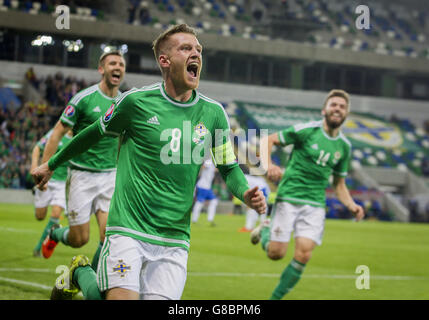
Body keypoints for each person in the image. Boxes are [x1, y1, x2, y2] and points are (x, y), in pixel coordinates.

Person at [32, 24, 266, 300]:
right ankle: (81, 272)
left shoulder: (214, 114)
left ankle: (79, 272)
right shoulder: (135, 103)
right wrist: (51, 164)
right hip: (128, 229)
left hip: (174, 239)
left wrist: (245, 194)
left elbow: (228, 168)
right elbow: (93, 133)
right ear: (164, 61)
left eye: (199, 50)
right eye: (186, 48)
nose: (196, 54)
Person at [252, 89, 365, 300]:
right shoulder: (307, 130)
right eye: (334, 105)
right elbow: (268, 140)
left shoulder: (344, 147)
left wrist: (352, 205)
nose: (337, 109)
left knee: (304, 254)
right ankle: (266, 229)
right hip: (289, 197)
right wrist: (269, 165)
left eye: (342, 106)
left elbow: (339, 183)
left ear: (346, 113)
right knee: (276, 254)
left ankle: (274, 299)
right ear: (325, 110)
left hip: (314, 204)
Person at [38, 50, 126, 272]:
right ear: (101, 69)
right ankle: (56, 233)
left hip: (109, 176)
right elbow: (57, 133)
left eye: (122, 64)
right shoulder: (84, 98)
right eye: (113, 63)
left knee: (109, 236)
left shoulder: (125, 103)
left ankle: (89, 283)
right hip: (80, 176)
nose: (118, 67)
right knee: (80, 239)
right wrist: (46, 167)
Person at [31, 129, 72, 257]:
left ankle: (39, 247)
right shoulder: (56, 133)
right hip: (46, 179)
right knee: (40, 216)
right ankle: (51, 231)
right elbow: (37, 148)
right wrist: (34, 167)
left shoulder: (79, 136)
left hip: (62, 184)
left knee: (55, 214)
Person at [191, 158, 218, 226]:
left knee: (214, 201)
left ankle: (210, 219)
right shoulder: (209, 161)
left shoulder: (213, 164)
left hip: (207, 187)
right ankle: (194, 219)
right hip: (203, 186)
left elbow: (215, 170)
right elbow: (203, 166)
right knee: (200, 202)